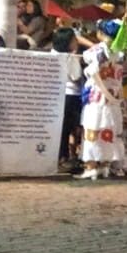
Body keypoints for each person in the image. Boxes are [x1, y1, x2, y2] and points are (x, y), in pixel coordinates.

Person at [77, 21, 125, 180]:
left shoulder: (96, 51)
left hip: (98, 96)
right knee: (109, 129)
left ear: (101, 33)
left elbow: (88, 64)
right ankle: (105, 165)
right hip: (113, 96)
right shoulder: (119, 53)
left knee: (93, 128)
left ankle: (91, 166)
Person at [52, 27, 84, 172]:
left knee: (62, 130)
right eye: (74, 39)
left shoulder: (53, 54)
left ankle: (62, 157)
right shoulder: (70, 57)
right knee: (71, 128)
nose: (76, 42)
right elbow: (76, 76)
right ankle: (66, 158)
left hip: (57, 95)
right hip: (72, 95)